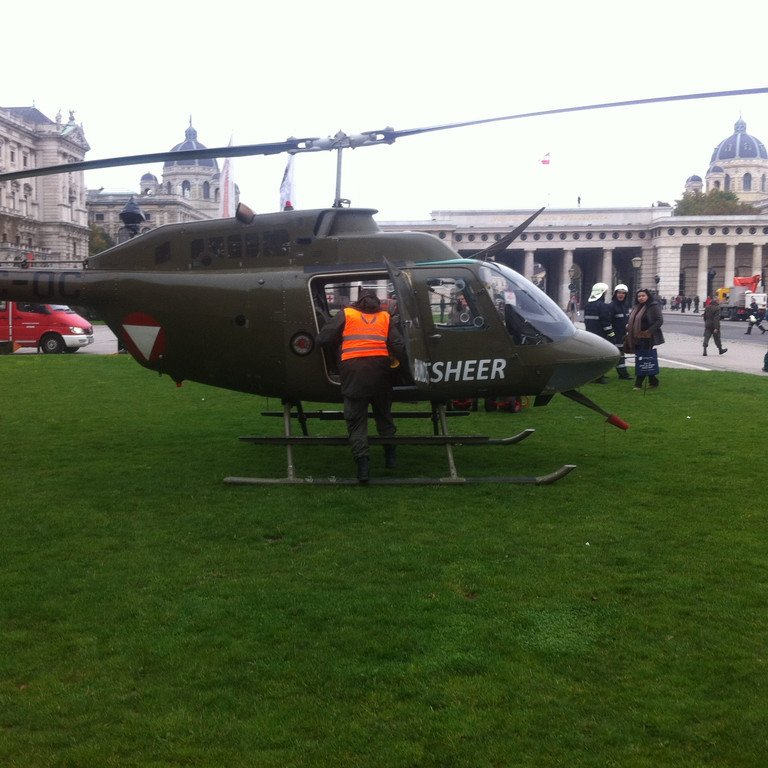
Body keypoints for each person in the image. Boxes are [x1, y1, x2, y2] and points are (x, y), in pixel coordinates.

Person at [317, 291, 405, 483]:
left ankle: (363, 466)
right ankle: (390, 457)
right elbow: (398, 345)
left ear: (359, 301)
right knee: (384, 416)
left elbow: (323, 339)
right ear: (377, 301)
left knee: (356, 421)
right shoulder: (385, 317)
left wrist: (339, 348)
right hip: (381, 375)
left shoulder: (347, 314)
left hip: (353, 375)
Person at [624, 288, 665, 390]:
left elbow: (659, 320)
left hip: (647, 337)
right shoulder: (636, 307)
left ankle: (638, 384)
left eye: (643, 296)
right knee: (644, 359)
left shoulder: (653, 306)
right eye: (639, 296)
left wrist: (649, 331)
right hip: (636, 336)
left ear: (647, 296)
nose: (641, 298)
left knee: (642, 358)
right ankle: (653, 381)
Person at [583, 282, 616, 383]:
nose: (605, 294)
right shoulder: (602, 306)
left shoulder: (587, 305)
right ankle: (598, 377)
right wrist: (612, 335)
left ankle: (591, 376)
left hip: (590, 335)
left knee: (592, 356)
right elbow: (606, 323)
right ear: (602, 293)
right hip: (601, 336)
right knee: (601, 357)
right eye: (605, 293)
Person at [608, 283, 632, 379]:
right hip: (615, 336)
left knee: (620, 355)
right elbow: (607, 323)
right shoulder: (611, 306)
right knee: (618, 355)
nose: (621, 295)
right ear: (615, 294)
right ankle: (623, 374)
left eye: (623, 293)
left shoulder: (625, 306)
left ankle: (622, 374)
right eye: (619, 293)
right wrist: (612, 336)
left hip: (622, 335)